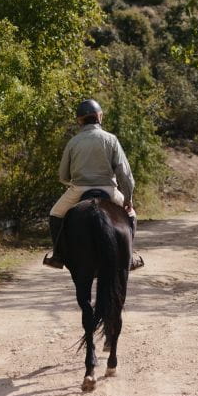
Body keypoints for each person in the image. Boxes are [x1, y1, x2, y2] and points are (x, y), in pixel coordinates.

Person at [43, 99, 144, 271]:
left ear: (79, 120)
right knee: (131, 215)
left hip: (79, 189)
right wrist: (128, 199)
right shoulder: (111, 139)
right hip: (108, 190)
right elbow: (125, 174)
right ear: (99, 117)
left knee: (55, 214)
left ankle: (57, 256)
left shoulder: (73, 142)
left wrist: (73, 183)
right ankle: (129, 257)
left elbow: (62, 175)